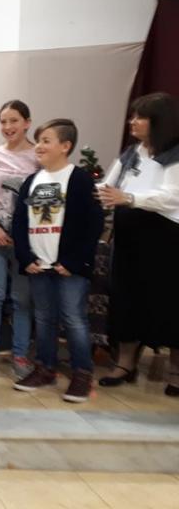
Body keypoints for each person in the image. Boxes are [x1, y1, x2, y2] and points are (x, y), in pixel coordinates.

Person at [11, 119, 104, 403]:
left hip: (68, 268)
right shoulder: (32, 181)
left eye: (46, 140)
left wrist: (74, 261)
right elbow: (20, 222)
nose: (39, 146)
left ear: (65, 146)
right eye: (38, 140)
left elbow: (93, 224)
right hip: (39, 265)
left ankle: (82, 373)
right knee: (43, 318)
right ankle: (45, 368)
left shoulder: (79, 179)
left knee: (74, 319)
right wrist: (26, 257)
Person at [98, 93, 179, 396]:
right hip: (130, 238)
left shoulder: (175, 153)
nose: (132, 122)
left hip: (164, 239)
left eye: (140, 117)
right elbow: (108, 186)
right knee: (126, 299)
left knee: (169, 303)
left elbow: (172, 196)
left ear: (159, 121)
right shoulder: (132, 152)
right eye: (133, 116)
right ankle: (125, 364)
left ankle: (176, 371)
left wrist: (130, 198)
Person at [0, 101, 39, 380]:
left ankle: (20, 354)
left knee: (22, 298)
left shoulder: (38, 156)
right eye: (3, 121)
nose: (8, 127)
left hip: (27, 238)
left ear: (27, 122)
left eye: (14, 120)